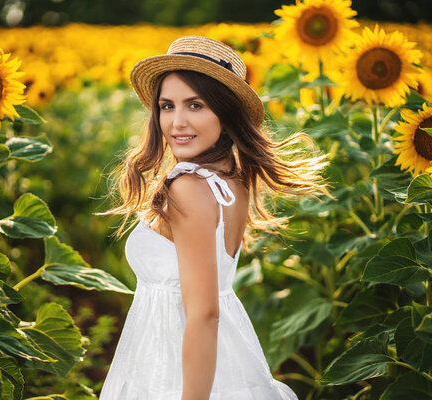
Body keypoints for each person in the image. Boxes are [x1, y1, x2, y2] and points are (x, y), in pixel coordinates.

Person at [97, 36, 333, 399]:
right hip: (219, 359)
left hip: (178, 369)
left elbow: (204, 313)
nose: (177, 122)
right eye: (167, 105)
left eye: (195, 105)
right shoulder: (231, 179)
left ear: (225, 112)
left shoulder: (188, 188)